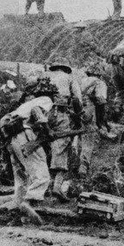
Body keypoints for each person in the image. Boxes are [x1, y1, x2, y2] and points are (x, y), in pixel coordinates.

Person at [0, 82, 58, 212]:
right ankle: (30, 202)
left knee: (20, 172)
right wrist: (48, 130)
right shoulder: (45, 100)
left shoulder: (25, 105)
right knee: (41, 172)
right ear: (50, 94)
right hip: (24, 135)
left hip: (12, 138)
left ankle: (18, 201)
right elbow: (37, 111)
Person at [38, 58, 83, 200]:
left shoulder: (43, 75)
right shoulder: (69, 78)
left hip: (40, 113)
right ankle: (57, 187)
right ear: (65, 68)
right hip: (59, 113)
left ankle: (43, 186)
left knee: (41, 148)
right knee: (61, 149)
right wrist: (78, 115)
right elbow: (77, 99)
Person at [78, 61, 114, 176]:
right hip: (89, 110)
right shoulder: (100, 83)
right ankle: (83, 166)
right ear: (100, 74)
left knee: (75, 138)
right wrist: (101, 121)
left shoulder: (80, 81)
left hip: (75, 110)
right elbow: (101, 101)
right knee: (88, 137)